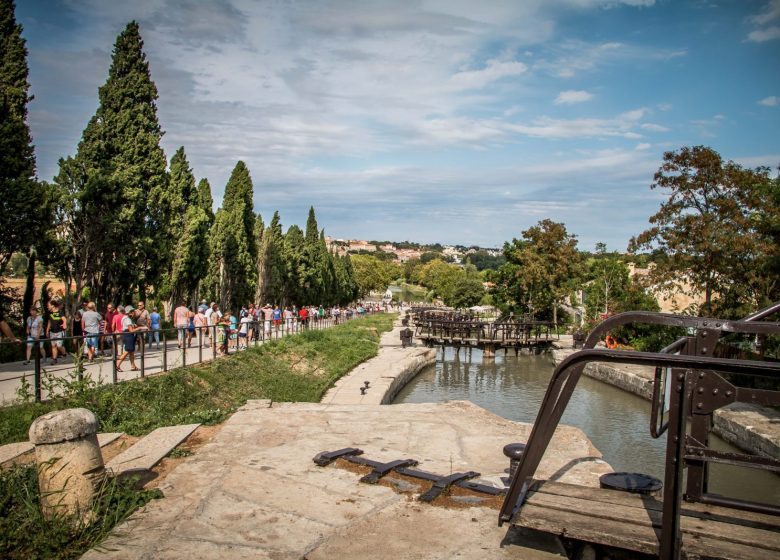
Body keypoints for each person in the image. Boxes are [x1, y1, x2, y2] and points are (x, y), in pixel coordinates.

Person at [115, 305, 145, 371]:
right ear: (129, 312)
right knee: (128, 350)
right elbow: (131, 330)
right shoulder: (127, 319)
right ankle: (117, 364)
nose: (134, 312)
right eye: (132, 311)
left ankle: (133, 366)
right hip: (128, 336)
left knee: (131, 352)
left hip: (127, 335)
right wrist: (140, 328)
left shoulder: (126, 318)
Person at [47, 300, 67, 364]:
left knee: (59, 346)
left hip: (59, 331)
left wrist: (64, 324)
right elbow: (49, 322)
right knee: (53, 345)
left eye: (49, 305)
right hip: (52, 331)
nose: (48, 307)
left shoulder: (60, 312)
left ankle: (64, 354)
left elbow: (64, 319)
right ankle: (54, 359)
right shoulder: (50, 313)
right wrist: (47, 330)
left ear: (52, 306)